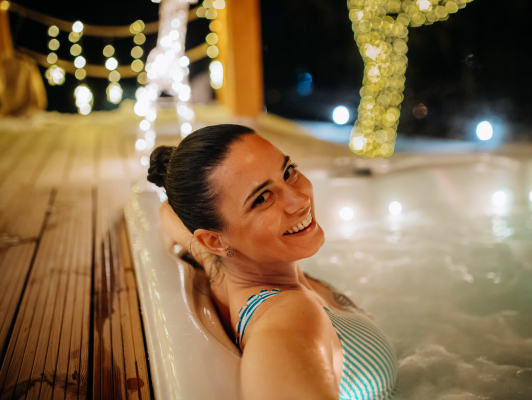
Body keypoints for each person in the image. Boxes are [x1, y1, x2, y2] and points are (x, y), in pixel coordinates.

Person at [147, 124, 397, 400]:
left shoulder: (221, 265)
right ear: (215, 241)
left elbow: (167, 213)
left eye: (288, 172)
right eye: (262, 198)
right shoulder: (288, 316)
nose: (300, 200)